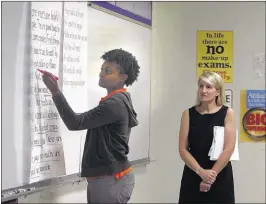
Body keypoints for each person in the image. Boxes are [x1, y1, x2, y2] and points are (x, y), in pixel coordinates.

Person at [41, 49, 140, 203]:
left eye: (108, 71)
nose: (102, 74)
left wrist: (55, 91)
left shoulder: (114, 104)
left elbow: (75, 122)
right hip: (109, 178)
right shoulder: (118, 100)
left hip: (111, 180)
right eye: (102, 69)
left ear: (122, 77)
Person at [178, 71, 236, 203]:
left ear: (217, 91)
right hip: (194, 172)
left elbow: (229, 149)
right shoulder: (188, 114)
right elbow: (182, 149)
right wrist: (201, 172)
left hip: (219, 174)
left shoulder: (228, 113)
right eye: (201, 86)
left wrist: (210, 176)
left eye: (208, 87)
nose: (203, 90)